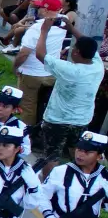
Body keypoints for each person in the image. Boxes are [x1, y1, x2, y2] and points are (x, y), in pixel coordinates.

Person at [34, 20, 104, 168]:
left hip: (57, 120)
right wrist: (72, 28)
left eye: (74, 47)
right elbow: (87, 43)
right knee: (78, 151)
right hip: (81, 120)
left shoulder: (68, 69)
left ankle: (47, 186)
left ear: (77, 52)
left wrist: (44, 31)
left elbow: (40, 54)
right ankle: (77, 178)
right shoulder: (98, 66)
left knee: (51, 155)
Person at [13, 0, 69, 131]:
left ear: (46, 9)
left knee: (27, 107)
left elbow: (23, 54)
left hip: (31, 75)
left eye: (41, 7)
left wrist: (15, 67)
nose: (39, 9)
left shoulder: (36, 29)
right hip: (51, 74)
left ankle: (27, 135)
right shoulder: (63, 23)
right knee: (44, 106)